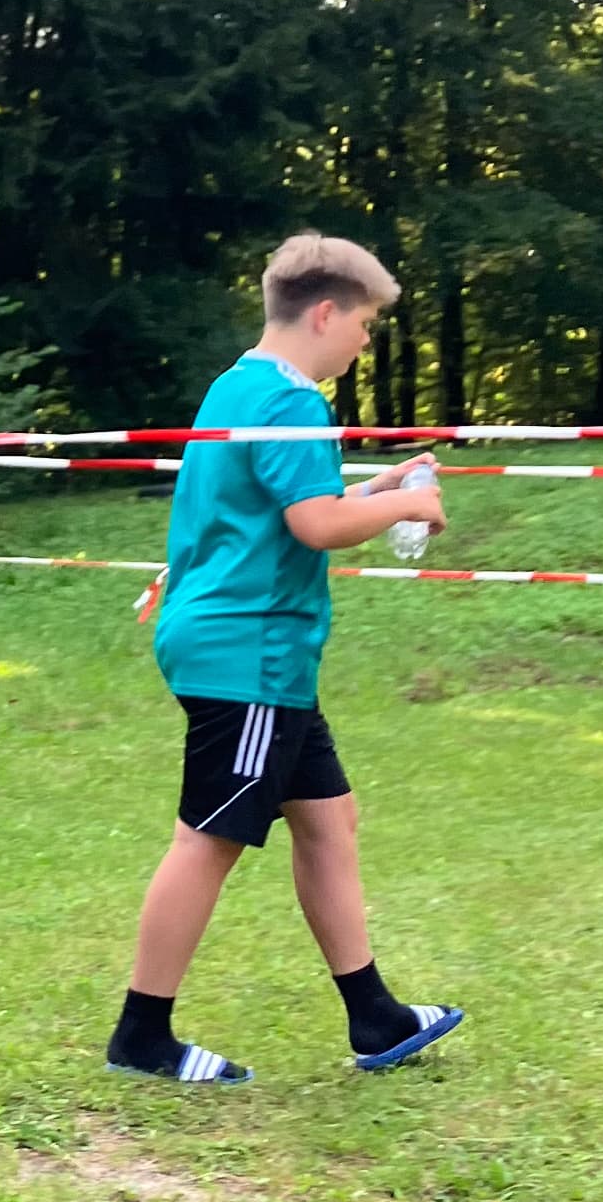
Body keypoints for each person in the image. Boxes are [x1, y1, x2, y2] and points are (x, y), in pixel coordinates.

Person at [104, 232, 464, 1087]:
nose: (366, 343)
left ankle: (374, 1016)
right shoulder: (294, 403)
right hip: (250, 653)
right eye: (366, 325)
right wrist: (408, 506)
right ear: (326, 313)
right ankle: (141, 1036)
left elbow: (288, 506)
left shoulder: (240, 387)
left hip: (254, 651)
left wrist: (374, 489)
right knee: (209, 838)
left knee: (329, 820)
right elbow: (316, 525)